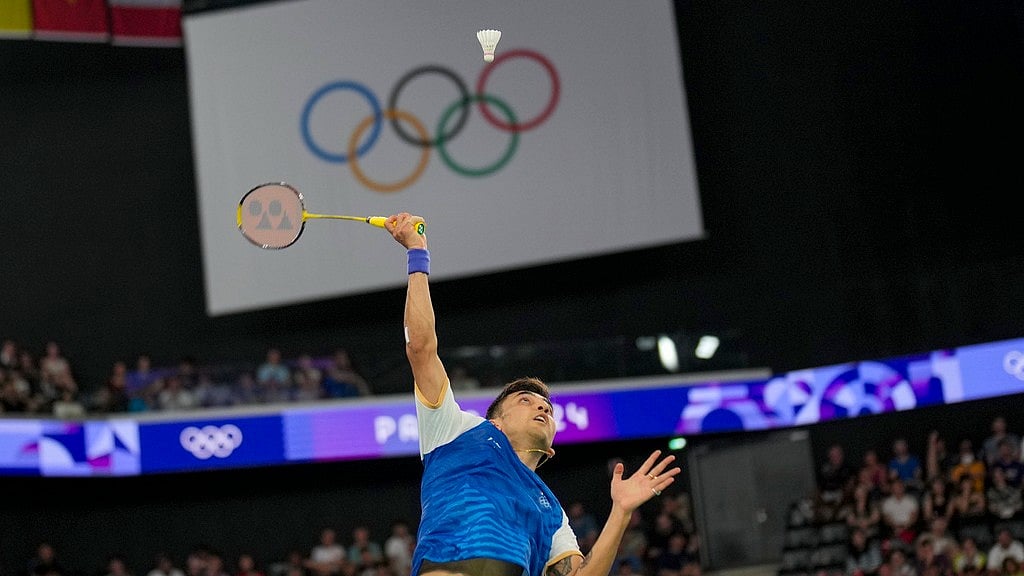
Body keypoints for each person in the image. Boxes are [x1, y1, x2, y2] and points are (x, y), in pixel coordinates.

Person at [383, 212, 680, 576]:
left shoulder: (552, 515)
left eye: (547, 408)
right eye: (525, 400)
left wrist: (621, 512)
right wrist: (417, 253)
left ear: (551, 448)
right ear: (496, 422)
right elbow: (422, 348)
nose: (541, 406)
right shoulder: (456, 431)